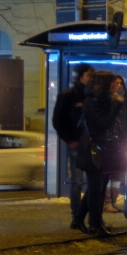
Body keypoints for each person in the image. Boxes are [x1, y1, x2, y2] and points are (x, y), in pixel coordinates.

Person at [76, 71, 126, 236]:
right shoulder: (95, 100)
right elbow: (103, 124)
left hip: (102, 150)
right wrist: (116, 106)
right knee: (96, 188)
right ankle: (94, 224)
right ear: (105, 83)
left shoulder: (102, 99)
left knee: (97, 186)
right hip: (94, 150)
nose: (116, 86)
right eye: (113, 83)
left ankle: (78, 220)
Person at [52, 63, 94, 233]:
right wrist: (69, 139)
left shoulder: (91, 95)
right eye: (89, 74)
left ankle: (87, 215)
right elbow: (58, 120)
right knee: (77, 181)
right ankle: (77, 215)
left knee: (92, 181)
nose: (91, 78)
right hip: (77, 142)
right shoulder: (69, 95)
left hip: (90, 142)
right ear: (81, 76)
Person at [104, 75, 127, 213]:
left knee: (119, 173)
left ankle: (112, 201)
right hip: (111, 142)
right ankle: (106, 202)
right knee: (110, 172)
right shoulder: (108, 101)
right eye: (116, 83)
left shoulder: (126, 101)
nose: (119, 86)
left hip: (122, 141)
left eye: (121, 83)